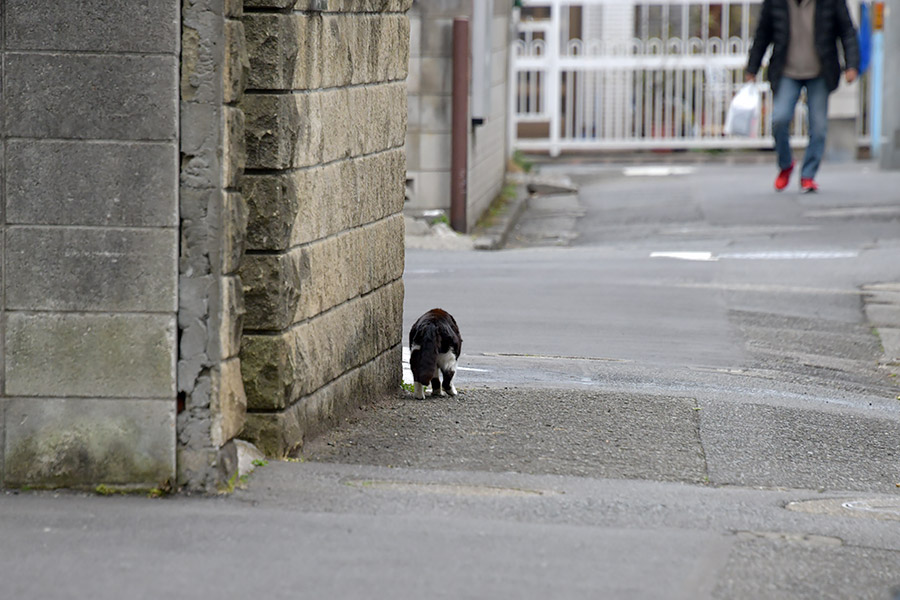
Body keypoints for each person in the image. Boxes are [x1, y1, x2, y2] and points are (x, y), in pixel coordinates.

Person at [745, 0, 860, 193]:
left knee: (818, 126)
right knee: (779, 119)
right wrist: (752, 68)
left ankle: (808, 175)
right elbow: (763, 33)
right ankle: (785, 163)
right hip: (787, 71)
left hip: (820, 71)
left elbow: (847, 30)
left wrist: (852, 65)